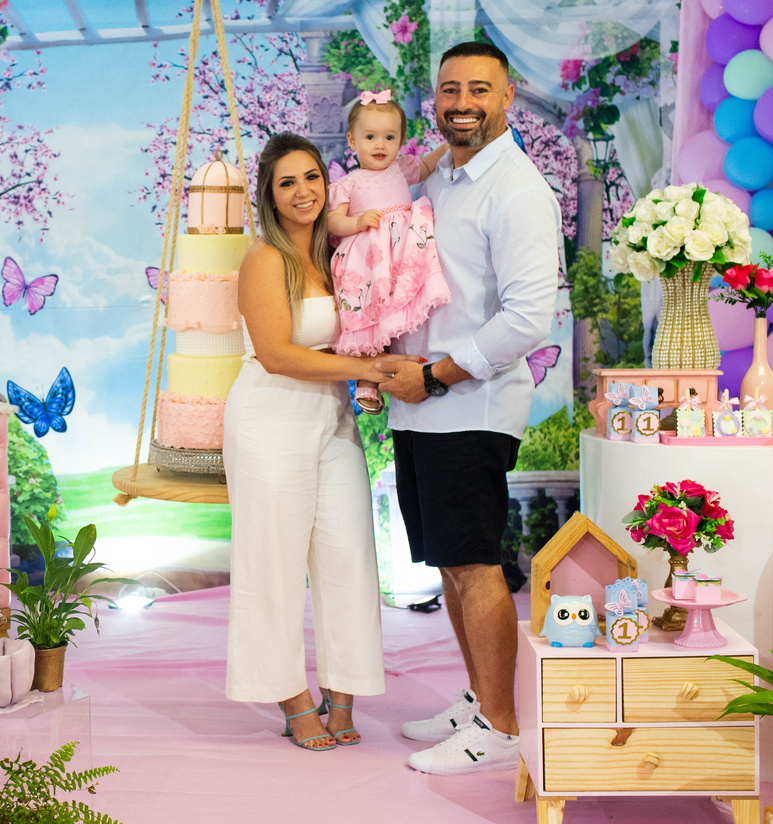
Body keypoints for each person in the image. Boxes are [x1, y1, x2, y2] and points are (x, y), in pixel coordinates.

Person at [374, 42, 562, 775]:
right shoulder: (443, 178)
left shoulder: (517, 190)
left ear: (508, 97)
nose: (461, 103)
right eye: (450, 89)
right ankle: (481, 698)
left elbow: (527, 319)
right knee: (451, 565)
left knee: (477, 564)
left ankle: (502, 727)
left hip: (467, 405)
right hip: (421, 405)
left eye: (479, 89)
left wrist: (436, 375)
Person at [224, 133, 408, 751]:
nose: (303, 191)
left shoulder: (340, 254)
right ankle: (292, 698)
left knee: (349, 553)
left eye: (311, 178)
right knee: (274, 561)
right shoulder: (263, 260)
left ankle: (344, 691)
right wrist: (367, 370)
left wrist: (379, 365)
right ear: (269, 196)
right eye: (287, 182)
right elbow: (277, 354)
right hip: (269, 417)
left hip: (332, 417)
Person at [326, 89, 451, 414]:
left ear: (400, 141)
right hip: (370, 261)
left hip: (401, 254)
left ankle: (405, 367)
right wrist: (356, 223)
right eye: (370, 137)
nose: (380, 145)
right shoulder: (349, 183)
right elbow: (333, 221)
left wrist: (449, 145)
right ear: (352, 141)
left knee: (397, 314)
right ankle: (367, 381)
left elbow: (426, 166)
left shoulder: (401, 169)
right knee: (371, 319)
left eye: (389, 137)